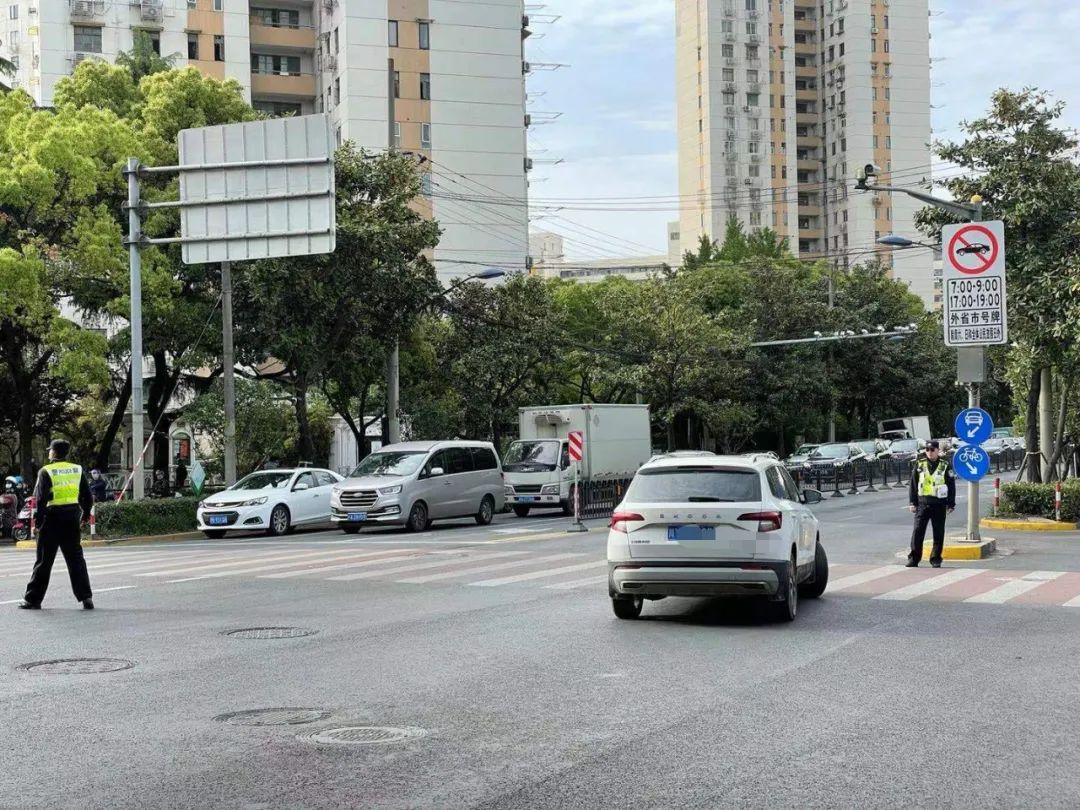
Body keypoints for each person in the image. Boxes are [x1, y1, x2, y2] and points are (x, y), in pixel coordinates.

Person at [18, 439, 94, 610]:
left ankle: (33, 600)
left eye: (50, 450)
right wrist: (85, 515)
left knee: (44, 561)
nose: (49, 453)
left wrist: (38, 523)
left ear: (53, 452)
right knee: (76, 560)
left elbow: (40, 500)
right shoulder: (77, 469)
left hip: (51, 519)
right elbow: (88, 497)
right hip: (72, 518)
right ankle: (86, 598)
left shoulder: (46, 471)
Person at [907, 440, 956, 568]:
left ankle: (935, 558)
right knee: (917, 531)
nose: (930, 452)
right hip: (923, 503)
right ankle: (914, 558)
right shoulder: (920, 464)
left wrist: (951, 503)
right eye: (927, 450)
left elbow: (951, 485)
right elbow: (913, 484)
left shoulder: (945, 465)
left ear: (937, 450)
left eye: (932, 450)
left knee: (938, 533)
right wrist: (912, 502)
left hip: (939, 504)